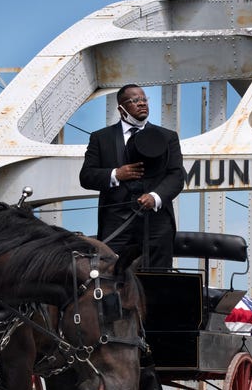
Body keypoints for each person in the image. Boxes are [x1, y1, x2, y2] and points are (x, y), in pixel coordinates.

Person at [79, 84, 185, 269]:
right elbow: (86, 176)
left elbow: (176, 176)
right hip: (116, 222)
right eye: (135, 101)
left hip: (156, 223)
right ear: (121, 108)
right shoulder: (101, 138)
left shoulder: (167, 137)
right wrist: (116, 174)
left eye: (144, 100)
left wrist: (155, 196)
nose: (142, 104)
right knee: (110, 276)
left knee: (157, 280)